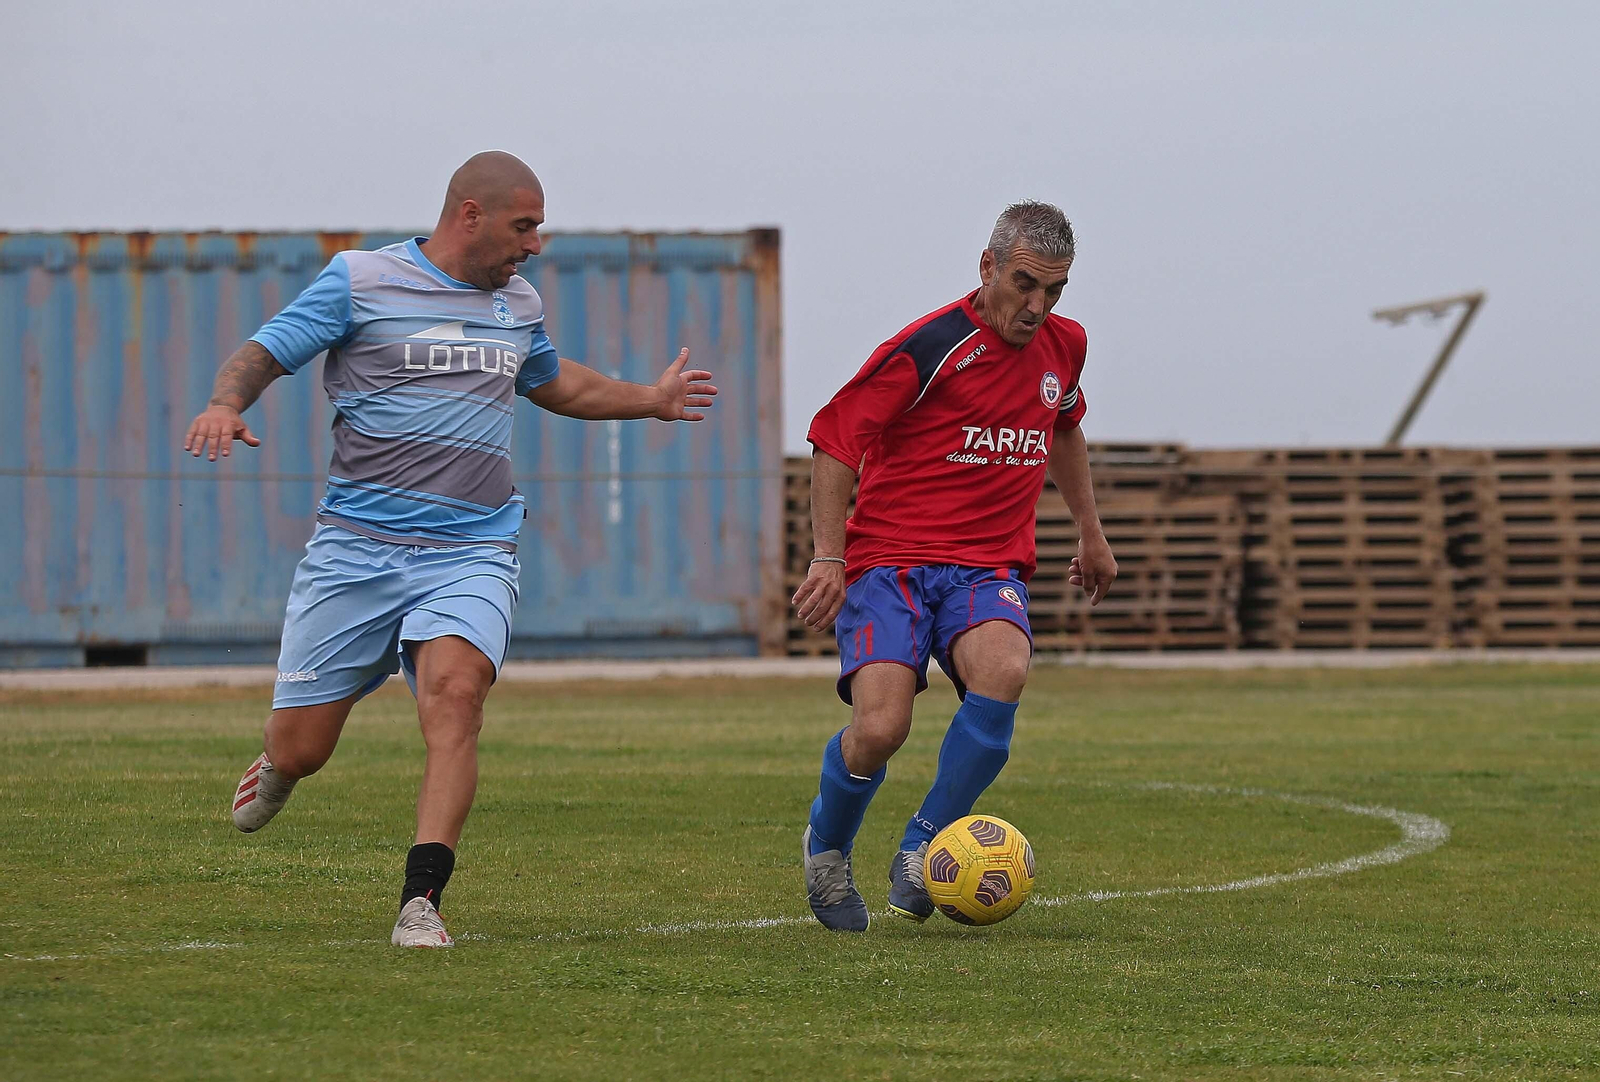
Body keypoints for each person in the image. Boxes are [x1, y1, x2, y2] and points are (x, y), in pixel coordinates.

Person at [184, 151, 716, 948]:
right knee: (304, 744)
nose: (535, 246)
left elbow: (551, 382)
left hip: (472, 545)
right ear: (470, 214)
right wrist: (225, 405)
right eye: (524, 226)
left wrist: (650, 399)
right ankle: (280, 765)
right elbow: (265, 351)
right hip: (357, 552)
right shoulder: (360, 280)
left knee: (456, 697)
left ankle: (421, 902)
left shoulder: (518, 303)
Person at [790, 201, 1115, 931]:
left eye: (1055, 291)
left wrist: (1090, 532)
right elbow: (835, 440)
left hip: (986, 567)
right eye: (1025, 285)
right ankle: (827, 847)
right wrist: (830, 556)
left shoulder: (1066, 347)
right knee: (880, 730)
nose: (1037, 307)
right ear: (988, 267)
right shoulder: (929, 346)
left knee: (1004, 671)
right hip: (890, 565)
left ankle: (925, 842)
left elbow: (1064, 424)